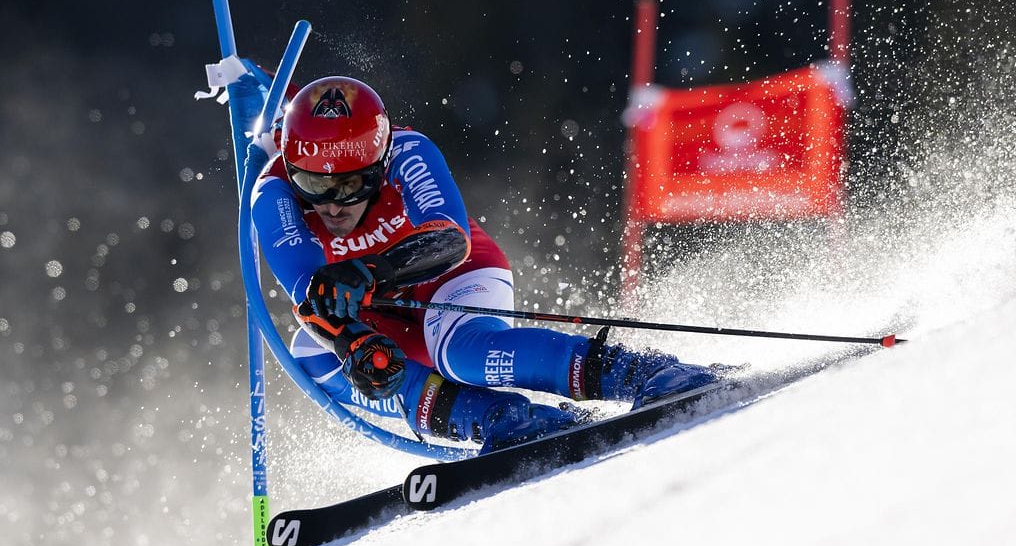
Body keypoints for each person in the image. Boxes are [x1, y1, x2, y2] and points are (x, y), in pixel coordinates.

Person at [250, 76, 719, 452]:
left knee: (461, 353)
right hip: (377, 311)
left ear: (378, 164)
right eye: (314, 185)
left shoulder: (408, 151)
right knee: (312, 354)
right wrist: (353, 340)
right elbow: (309, 294)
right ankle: (501, 419)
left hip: (450, 275)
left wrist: (372, 270)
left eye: (350, 186)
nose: (332, 206)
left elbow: (448, 240)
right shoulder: (272, 193)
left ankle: (640, 373)